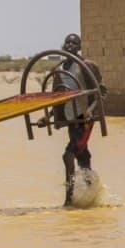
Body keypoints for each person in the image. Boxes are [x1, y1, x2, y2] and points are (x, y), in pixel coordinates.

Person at [37, 33, 107, 206]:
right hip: (70, 118)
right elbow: (58, 99)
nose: (70, 45)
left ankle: (68, 200)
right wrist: (48, 117)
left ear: (79, 46)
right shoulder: (60, 70)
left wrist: (91, 111)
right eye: (67, 42)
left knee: (68, 155)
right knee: (82, 157)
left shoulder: (87, 66)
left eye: (74, 43)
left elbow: (101, 92)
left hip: (85, 120)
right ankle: (94, 194)